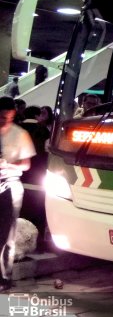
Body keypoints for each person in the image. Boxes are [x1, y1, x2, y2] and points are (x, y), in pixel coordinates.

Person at [0, 96, 36, 291]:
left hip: (10, 184)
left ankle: (4, 277)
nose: (4, 121)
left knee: (7, 233)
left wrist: (8, 165)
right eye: (0, 117)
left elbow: (26, 164)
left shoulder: (20, 134)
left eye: (8, 117)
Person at [19, 106, 51, 246]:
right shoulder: (44, 131)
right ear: (38, 116)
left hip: (18, 177)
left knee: (20, 212)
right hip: (38, 178)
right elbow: (48, 152)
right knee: (36, 211)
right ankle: (36, 241)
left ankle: (17, 241)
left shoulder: (17, 129)